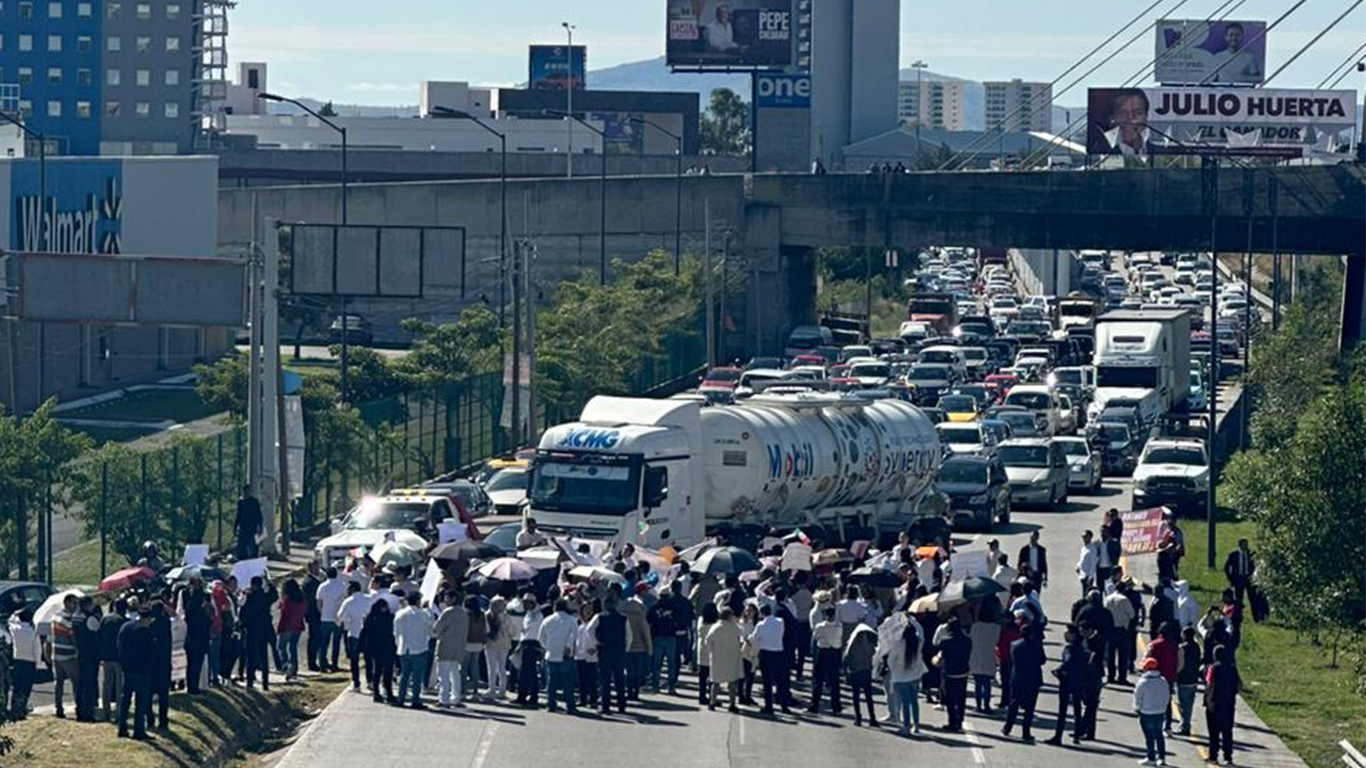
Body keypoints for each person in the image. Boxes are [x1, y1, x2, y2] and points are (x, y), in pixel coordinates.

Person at [876, 610, 926, 735]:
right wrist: (912, 619)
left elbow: (891, 661)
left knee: (905, 703)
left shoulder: (898, 644)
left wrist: (895, 670)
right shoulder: (918, 642)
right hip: (915, 675)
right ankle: (917, 725)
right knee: (914, 702)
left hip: (901, 676)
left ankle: (906, 726)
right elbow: (921, 632)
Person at [116, 599, 157, 740]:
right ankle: (138, 731)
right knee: (140, 701)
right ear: (149, 618)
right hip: (142, 670)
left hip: (127, 669)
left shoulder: (125, 627)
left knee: (125, 699)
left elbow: (119, 646)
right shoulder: (145, 632)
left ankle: (122, 728)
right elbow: (150, 653)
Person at [1002, 613, 1045, 743]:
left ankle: (1007, 727)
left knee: (1013, 704)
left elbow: (1012, 658)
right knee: (1030, 707)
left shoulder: (1014, 645)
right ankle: (1026, 732)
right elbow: (1042, 660)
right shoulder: (1036, 646)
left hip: (1018, 677)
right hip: (1033, 678)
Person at [1046, 624, 1087, 745]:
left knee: (1063, 709)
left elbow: (1068, 661)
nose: (1066, 634)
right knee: (1077, 708)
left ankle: (1058, 736)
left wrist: (1058, 670)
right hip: (1079, 680)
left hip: (1067, 680)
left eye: (1068, 632)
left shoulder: (1070, 648)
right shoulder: (1081, 648)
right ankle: (1077, 735)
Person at [539, 599, 579, 714]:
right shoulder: (572, 620)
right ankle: (570, 706)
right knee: (568, 682)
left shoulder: (547, 620)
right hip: (566, 654)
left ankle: (551, 704)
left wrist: (548, 647)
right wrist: (568, 645)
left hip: (551, 654)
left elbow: (541, 638)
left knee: (551, 682)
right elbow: (574, 635)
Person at [393, 592, 432, 710]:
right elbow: (430, 630)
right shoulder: (424, 614)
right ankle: (416, 699)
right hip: (419, 648)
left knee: (404, 675)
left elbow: (396, 632)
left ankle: (401, 698)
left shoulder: (400, 613)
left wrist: (398, 644)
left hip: (404, 648)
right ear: (418, 601)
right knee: (417, 677)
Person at [592, 595, 630, 715]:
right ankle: (621, 706)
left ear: (604, 605)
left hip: (604, 650)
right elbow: (629, 636)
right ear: (616, 605)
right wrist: (626, 649)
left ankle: (605, 706)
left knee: (605, 680)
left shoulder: (600, 617)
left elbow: (589, 630)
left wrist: (596, 642)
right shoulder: (624, 618)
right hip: (619, 651)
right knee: (620, 680)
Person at [751, 603, 791, 715]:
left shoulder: (760, 625)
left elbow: (754, 638)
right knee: (780, 680)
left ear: (761, 613)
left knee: (767, 681)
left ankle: (769, 706)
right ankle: (784, 705)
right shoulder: (780, 622)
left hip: (766, 654)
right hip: (779, 652)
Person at [432, 592, 469, 708]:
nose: (445, 600)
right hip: (459, 647)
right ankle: (455, 698)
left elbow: (437, 628)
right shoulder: (464, 613)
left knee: (443, 675)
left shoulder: (448, 612)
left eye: (447, 597)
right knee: (455, 674)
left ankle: (444, 700)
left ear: (453, 598)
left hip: (446, 646)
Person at [1205, 644, 1240, 765]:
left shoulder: (1213, 668)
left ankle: (1213, 755)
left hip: (1214, 704)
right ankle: (1228, 757)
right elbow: (1237, 686)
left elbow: (1208, 682)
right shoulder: (1232, 669)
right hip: (1228, 704)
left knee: (1214, 732)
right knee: (1227, 732)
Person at [48, 593, 82, 719]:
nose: (76, 606)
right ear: (67, 603)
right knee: (76, 682)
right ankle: (79, 707)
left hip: (56, 653)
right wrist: (77, 649)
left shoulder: (54, 616)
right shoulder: (68, 620)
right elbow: (72, 637)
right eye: (74, 603)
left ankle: (59, 708)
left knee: (58, 683)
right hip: (68, 655)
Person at [240, 576, 277, 690]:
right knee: (263, 656)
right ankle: (265, 684)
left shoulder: (248, 597)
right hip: (264, 630)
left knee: (251, 657)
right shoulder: (265, 597)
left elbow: (242, 613)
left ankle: (250, 683)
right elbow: (275, 595)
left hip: (251, 631)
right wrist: (270, 583)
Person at [937, 616, 972, 732]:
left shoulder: (945, 641)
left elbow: (942, 656)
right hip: (963, 671)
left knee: (950, 699)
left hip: (949, 672)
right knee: (961, 698)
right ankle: (960, 720)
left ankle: (952, 722)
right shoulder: (967, 640)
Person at [706, 607, 744, 712]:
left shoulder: (715, 627)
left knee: (716, 682)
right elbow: (742, 636)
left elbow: (708, 641)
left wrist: (711, 651)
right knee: (732, 682)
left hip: (717, 658)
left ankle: (712, 702)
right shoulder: (734, 627)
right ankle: (732, 704)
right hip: (732, 658)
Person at [1134, 657, 1171, 766]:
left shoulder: (1143, 682)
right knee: (1159, 735)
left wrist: (1138, 708)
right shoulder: (1163, 681)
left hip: (1146, 712)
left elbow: (1138, 698)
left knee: (1149, 737)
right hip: (1160, 712)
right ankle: (1162, 757)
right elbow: (1167, 697)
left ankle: (1151, 757)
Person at [647, 582, 681, 695]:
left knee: (657, 663)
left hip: (657, 636)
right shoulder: (675, 607)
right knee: (671, 663)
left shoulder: (654, 607)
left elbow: (649, 621)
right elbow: (679, 621)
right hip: (671, 636)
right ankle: (671, 686)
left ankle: (655, 685)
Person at [807, 606, 843, 714]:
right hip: (835, 653)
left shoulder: (820, 626)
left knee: (818, 680)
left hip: (822, 652)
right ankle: (836, 706)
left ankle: (815, 705)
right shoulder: (839, 626)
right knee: (834, 681)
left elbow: (816, 637)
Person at [336, 581, 370, 691]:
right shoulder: (368, 599)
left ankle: (356, 684)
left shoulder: (348, 601)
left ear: (353, 589)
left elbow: (339, 617)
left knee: (354, 660)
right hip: (367, 633)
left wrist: (346, 622)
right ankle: (370, 681)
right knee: (368, 658)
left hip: (354, 632)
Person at [1100, 88, 1153, 158]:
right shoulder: (1106, 154)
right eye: (1123, 113)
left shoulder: (1161, 150)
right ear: (1113, 118)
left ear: (1146, 116)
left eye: (1137, 113)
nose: (1130, 118)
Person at [970, 598, 1002, 713]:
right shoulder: (996, 628)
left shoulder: (975, 626)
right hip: (989, 656)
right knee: (987, 682)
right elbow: (997, 641)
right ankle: (987, 706)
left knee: (978, 683)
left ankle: (978, 705)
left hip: (976, 656)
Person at [7, 607, 40, 720]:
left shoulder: (15, 628)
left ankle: (13, 708)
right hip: (30, 661)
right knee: (26, 687)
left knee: (17, 686)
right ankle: (21, 709)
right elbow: (37, 649)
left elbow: (10, 621)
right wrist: (38, 663)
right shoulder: (33, 631)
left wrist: (15, 613)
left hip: (17, 660)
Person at [362, 597, 397, 702]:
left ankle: (377, 693)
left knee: (377, 671)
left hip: (375, 648)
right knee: (387, 671)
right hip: (387, 647)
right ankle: (388, 692)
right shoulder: (388, 618)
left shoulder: (370, 618)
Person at [843, 622, 878, 726]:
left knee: (856, 697)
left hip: (855, 672)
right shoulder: (870, 646)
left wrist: (846, 673)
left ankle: (858, 718)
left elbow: (845, 659)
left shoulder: (851, 646)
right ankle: (872, 718)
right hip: (866, 672)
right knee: (868, 697)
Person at [622, 583, 653, 700]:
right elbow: (646, 632)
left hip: (626, 646)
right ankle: (635, 692)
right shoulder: (640, 614)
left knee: (629, 671)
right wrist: (649, 649)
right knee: (637, 672)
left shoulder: (623, 613)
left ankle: (629, 691)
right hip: (640, 647)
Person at [73, 597, 101, 721]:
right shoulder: (90, 618)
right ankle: (88, 713)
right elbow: (97, 632)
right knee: (89, 684)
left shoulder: (75, 616)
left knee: (81, 683)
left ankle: (79, 710)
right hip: (90, 654)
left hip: (80, 652)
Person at [316, 567, 348, 673]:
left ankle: (322, 664)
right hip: (338, 618)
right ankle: (334, 664)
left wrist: (321, 613)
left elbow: (319, 602)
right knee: (336, 643)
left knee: (323, 642)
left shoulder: (322, 586)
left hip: (325, 617)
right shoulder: (342, 586)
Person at [1104, 581, 1137, 684]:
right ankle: (1122, 677)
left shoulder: (1108, 598)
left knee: (1111, 655)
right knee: (1123, 655)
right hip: (1122, 629)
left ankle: (1111, 676)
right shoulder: (1124, 600)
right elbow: (1132, 614)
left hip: (1110, 629)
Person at [515, 593, 544, 706]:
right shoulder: (528, 614)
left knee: (530, 672)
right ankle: (522, 695)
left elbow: (532, 630)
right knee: (523, 672)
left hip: (532, 644)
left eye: (527, 602)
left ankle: (533, 696)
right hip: (524, 643)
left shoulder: (538, 615)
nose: (525, 604)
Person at [276, 579, 307, 681]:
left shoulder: (287, 599)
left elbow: (284, 615)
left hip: (287, 627)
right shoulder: (301, 598)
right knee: (293, 648)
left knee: (281, 647)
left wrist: (280, 628)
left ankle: (286, 665)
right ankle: (294, 668)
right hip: (298, 626)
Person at [1175, 626, 1203, 736]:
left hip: (1183, 680)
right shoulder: (1197, 647)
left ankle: (1185, 727)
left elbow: (1180, 665)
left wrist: (1175, 674)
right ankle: (1187, 724)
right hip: (1193, 679)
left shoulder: (1181, 648)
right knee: (1189, 705)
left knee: (1183, 705)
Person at [149, 599, 172, 730]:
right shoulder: (166, 623)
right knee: (164, 695)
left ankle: (150, 718)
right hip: (164, 663)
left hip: (152, 664)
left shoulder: (150, 625)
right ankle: (163, 721)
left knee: (148, 694)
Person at [183, 589, 212, 694]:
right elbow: (208, 623)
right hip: (199, 642)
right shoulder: (201, 613)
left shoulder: (189, 610)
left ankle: (190, 686)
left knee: (190, 665)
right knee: (196, 666)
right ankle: (194, 688)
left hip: (190, 641)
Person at [485, 597, 514, 699]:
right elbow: (512, 631)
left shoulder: (487, 615)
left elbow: (486, 630)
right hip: (504, 644)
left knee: (491, 667)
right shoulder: (507, 617)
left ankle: (492, 689)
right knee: (502, 667)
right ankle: (502, 690)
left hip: (490, 643)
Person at [574, 600, 599, 710]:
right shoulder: (578, 624)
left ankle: (593, 699)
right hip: (579, 654)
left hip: (592, 654)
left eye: (590, 610)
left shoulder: (595, 623)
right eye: (586, 610)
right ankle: (582, 698)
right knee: (581, 678)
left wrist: (595, 648)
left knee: (592, 678)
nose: (588, 612)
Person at [463, 595, 488, 700]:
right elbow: (486, 628)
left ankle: (462, 688)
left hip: (467, 641)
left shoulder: (466, 614)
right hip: (478, 642)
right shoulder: (481, 613)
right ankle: (475, 690)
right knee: (475, 666)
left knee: (464, 666)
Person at [695, 602, 719, 704]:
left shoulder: (701, 620)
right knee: (713, 677)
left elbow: (699, 632)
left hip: (702, 650)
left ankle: (702, 696)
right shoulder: (716, 623)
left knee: (702, 677)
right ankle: (712, 697)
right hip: (713, 651)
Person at [1223, 539, 1256, 608]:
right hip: (1238, 579)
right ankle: (1238, 614)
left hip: (1248, 578)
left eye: (1246, 544)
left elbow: (1255, 565)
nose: (1246, 546)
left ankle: (1256, 616)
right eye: (1244, 544)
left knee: (1253, 598)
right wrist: (1231, 578)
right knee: (1238, 599)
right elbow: (1226, 567)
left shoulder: (1251, 554)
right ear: (1240, 545)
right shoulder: (1234, 554)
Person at [235, 485, 264, 561]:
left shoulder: (254, 502)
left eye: (248, 492)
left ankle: (254, 558)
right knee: (242, 545)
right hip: (243, 527)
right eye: (245, 492)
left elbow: (259, 515)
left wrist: (260, 526)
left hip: (252, 527)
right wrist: (236, 526)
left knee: (254, 543)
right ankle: (242, 558)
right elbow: (238, 515)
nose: (246, 493)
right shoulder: (241, 502)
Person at [1075, 530, 1099, 596]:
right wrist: (1078, 566)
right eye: (1083, 537)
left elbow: (1093, 564)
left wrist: (1091, 578)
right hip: (1082, 575)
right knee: (1084, 594)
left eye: (1086, 537)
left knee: (1086, 595)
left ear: (1090, 537)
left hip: (1087, 576)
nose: (1084, 539)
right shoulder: (1084, 548)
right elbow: (1082, 559)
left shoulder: (1092, 549)